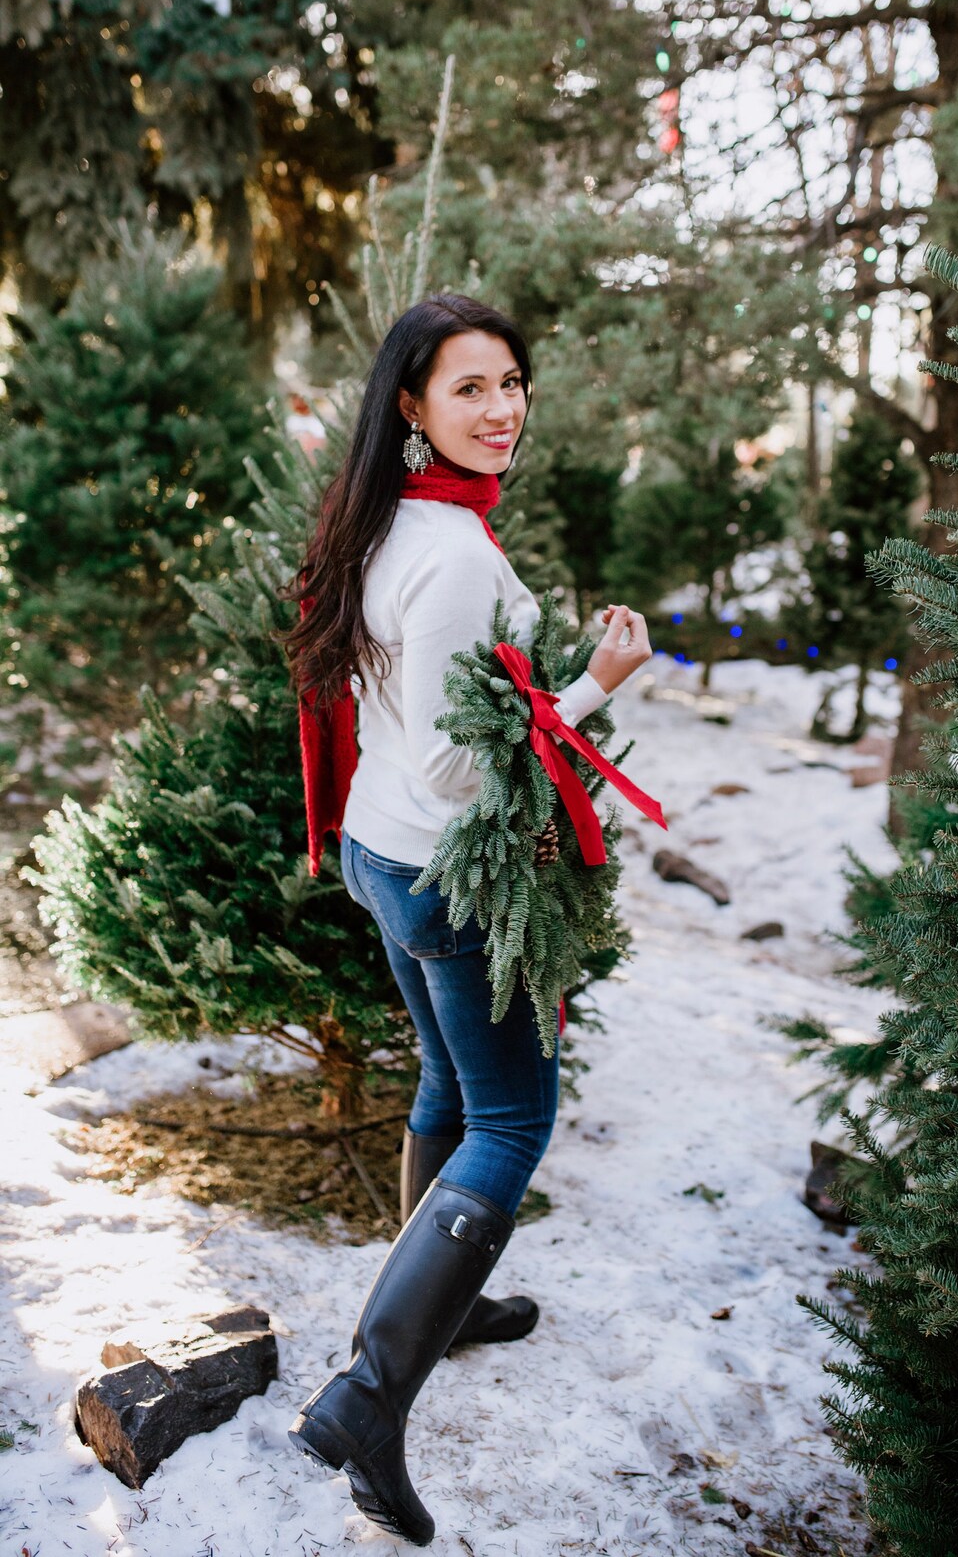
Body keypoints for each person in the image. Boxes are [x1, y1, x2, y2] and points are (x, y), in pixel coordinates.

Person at [281, 292, 651, 1543]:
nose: (502, 412)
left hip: (384, 854)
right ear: (411, 409)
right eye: (470, 391)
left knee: (446, 1079)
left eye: (512, 384)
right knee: (511, 1119)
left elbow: (424, 731)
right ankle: (371, 1398)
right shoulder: (446, 556)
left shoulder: (394, 523)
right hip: (444, 869)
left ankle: (445, 1299)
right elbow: (462, 767)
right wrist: (591, 692)